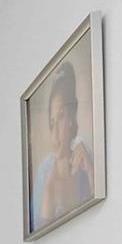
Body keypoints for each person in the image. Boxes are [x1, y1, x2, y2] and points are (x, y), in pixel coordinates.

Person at [31, 61, 94, 230]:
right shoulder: (48, 179)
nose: (56, 132)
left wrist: (89, 170)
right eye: (52, 122)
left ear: (72, 118)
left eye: (61, 116)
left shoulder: (85, 154)